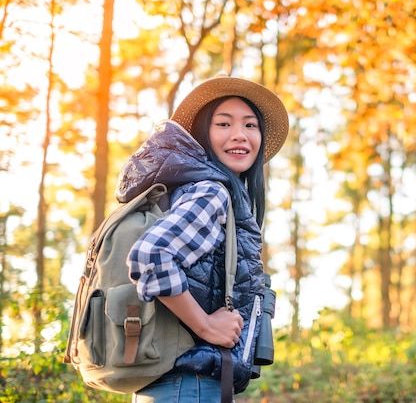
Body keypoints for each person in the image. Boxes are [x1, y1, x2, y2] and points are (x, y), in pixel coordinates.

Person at [114, 75, 289, 403]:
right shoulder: (210, 191)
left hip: (172, 384)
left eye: (250, 126)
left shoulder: (193, 189)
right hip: (188, 386)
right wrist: (206, 326)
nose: (239, 135)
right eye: (224, 124)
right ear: (203, 133)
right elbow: (151, 255)